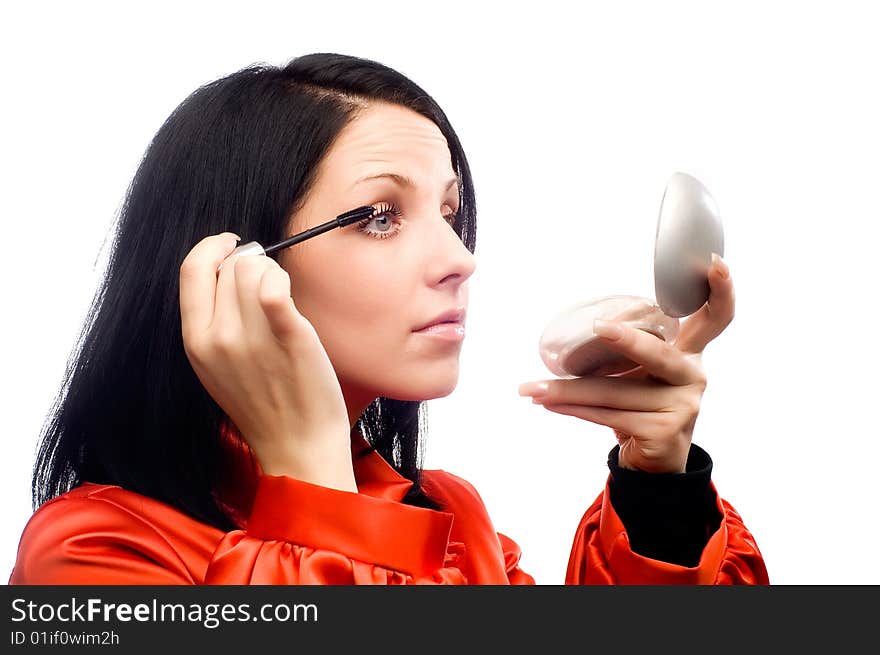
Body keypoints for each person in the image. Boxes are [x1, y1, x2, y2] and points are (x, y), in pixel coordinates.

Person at [8, 53, 768, 585]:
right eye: (378, 216)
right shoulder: (89, 552)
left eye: (450, 213)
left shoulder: (453, 518)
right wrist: (309, 480)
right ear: (234, 267)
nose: (459, 258)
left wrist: (658, 491)